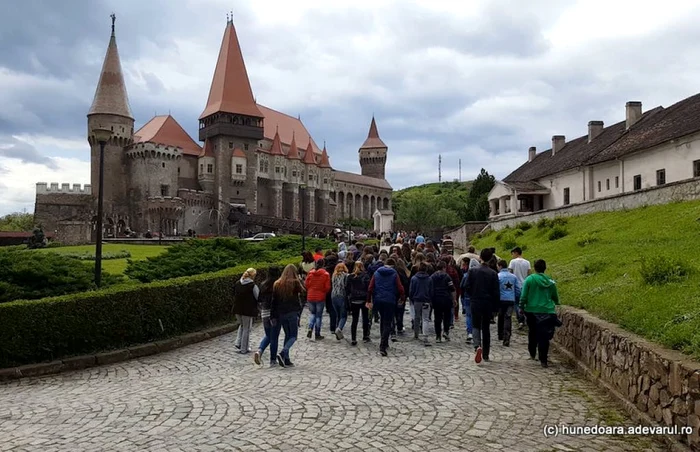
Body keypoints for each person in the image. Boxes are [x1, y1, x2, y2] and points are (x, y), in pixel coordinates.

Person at [520, 259, 560, 368]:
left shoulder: (529, 279)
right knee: (544, 336)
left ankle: (532, 352)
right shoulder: (550, 281)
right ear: (545, 268)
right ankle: (543, 359)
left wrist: (521, 306)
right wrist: (556, 302)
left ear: (534, 268)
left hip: (531, 310)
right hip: (547, 311)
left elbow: (524, 296)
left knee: (532, 332)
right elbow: (555, 296)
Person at [465, 249, 500, 363]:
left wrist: (472, 295)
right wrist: (496, 308)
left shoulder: (472, 271)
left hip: (475, 301)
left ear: (480, 257)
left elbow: (467, 286)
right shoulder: (493, 273)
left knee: (476, 325)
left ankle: (477, 346)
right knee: (486, 327)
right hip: (488, 303)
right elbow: (496, 292)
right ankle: (486, 353)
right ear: (490, 259)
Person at [367, 258, 405, 356]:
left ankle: (384, 341)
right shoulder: (394, 274)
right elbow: (400, 287)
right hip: (390, 300)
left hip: (378, 300)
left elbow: (370, 288)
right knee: (388, 322)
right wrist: (402, 298)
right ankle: (383, 345)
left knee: (382, 320)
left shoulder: (376, 273)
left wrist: (368, 300)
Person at [271, 264, 306, 367]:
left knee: (287, 334)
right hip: (292, 312)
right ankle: (283, 352)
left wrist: (273, 316)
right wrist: (300, 280)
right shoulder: (295, 283)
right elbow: (304, 292)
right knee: (293, 336)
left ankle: (286, 359)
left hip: (281, 313)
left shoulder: (277, 284)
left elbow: (274, 301)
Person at [254, 266, 283, 366]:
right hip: (274, 313)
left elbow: (259, 299)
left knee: (268, 335)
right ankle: (273, 360)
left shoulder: (263, 284)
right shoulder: (278, 284)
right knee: (274, 337)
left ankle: (260, 351)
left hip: (264, 312)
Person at [233, 268, 260, 354]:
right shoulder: (252, 285)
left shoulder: (237, 283)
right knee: (246, 329)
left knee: (242, 326)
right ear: (253, 276)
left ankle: (238, 343)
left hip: (237, 309)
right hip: (247, 310)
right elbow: (258, 297)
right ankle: (244, 348)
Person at [346, 261, 371, 345]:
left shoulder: (350, 276)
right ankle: (365, 336)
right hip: (363, 299)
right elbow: (369, 289)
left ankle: (353, 338)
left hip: (354, 299)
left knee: (354, 319)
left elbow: (347, 289)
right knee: (365, 318)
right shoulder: (366, 276)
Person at [305, 259, 331, 340]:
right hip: (320, 297)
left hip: (310, 296)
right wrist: (323, 291)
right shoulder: (326, 274)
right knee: (318, 316)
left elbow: (306, 284)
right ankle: (317, 333)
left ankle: (310, 327)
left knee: (312, 313)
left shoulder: (310, 273)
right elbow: (327, 287)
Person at [430, 261, 456, 342]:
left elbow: (430, 288)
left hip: (436, 299)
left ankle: (438, 336)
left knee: (437, 317)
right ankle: (446, 331)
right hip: (446, 299)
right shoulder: (447, 276)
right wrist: (454, 299)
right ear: (444, 268)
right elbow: (452, 289)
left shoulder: (432, 277)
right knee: (447, 317)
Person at [497, 260, 521, 347]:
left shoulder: (498, 276)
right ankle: (507, 336)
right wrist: (517, 297)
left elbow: (496, 289)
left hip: (501, 299)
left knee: (500, 316)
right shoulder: (513, 277)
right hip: (511, 300)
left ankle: (500, 334)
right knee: (508, 317)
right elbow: (518, 289)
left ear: (499, 266)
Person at [409, 262, 433, 346]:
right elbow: (431, 291)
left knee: (417, 317)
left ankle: (416, 334)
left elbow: (411, 290)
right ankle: (425, 335)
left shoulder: (414, 278)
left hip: (417, 300)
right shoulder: (429, 279)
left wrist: (412, 299)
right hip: (426, 300)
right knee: (425, 318)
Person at [509, 247, 532, 329]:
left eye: (512, 254)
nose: (512, 256)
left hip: (516, 286)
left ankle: (521, 320)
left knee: (517, 303)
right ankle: (527, 318)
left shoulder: (512, 262)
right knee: (525, 303)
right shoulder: (527, 262)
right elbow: (529, 274)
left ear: (516, 253)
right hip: (525, 285)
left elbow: (510, 273)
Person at [392, 258, 411, 338]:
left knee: (393, 311)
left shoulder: (394, 272)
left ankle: (393, 327)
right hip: (401, 294)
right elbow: (406, 284)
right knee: (400, 311)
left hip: (394, 294)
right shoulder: (403, 272)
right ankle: (399, 325)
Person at [331, 263, 350, 340]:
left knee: (338, 314)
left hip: (333, 296)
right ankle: (339, 328)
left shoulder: (334, 275)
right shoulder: (346, 276)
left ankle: (337, 331)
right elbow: (346, 286)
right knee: (343, 316)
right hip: (342, 296)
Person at [324, 253, 340, 334]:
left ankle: (332, 327)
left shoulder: (325, 270)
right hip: (337, 291)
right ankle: (338, 325)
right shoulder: (338, 269)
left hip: (328, 292)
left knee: (331, 309)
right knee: (338, 309)